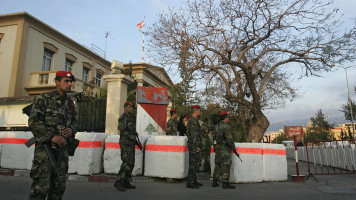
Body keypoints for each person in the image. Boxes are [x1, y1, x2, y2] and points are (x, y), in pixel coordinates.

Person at [28, 71, 78, 199]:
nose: (69, 84)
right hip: (45, 151)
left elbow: (75, 122)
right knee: (40, 189)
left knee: (58, 188)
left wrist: (71, 130)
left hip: (62, 151)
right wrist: (52, 137)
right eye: (66, 81)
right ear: (57, 82)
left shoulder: (70, 103)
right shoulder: (43, 99)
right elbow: (34, 122)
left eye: (70, 81)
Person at [114, 101, 137, 192]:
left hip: (131, 143)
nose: (131, 109)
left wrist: (135, 134)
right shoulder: (122, 118)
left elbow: (131, 129)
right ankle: (119, 181)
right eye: (129, 107)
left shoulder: (131, 117)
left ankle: (126, 181)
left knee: (131, 162)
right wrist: (132, 137)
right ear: (125, 108)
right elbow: (123, 131)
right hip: (125, 143)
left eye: (132, 107)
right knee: (126, 162)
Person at [212, 111, 236, 189]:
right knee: (226, 164)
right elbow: (229, 139)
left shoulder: (216, 126)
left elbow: (214, 138)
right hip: (224, 148)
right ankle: (225, 182)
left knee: (217, 164)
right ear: (225, 118)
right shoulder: (226, 126)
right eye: (228, 117)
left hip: (218, 148)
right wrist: (233, 146)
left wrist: (215, 147)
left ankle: (215, 181)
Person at [186, 105, 203, 189]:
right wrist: (197, 146)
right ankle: (190, 182)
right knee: (193, 163)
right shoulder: (193, 121)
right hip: (193, 145)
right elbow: (194, 135)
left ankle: (194, 179)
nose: (199, 112)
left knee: (195, 163)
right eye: (199, 111)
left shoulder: (192, 120)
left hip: (193, 144)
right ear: (196, 111)